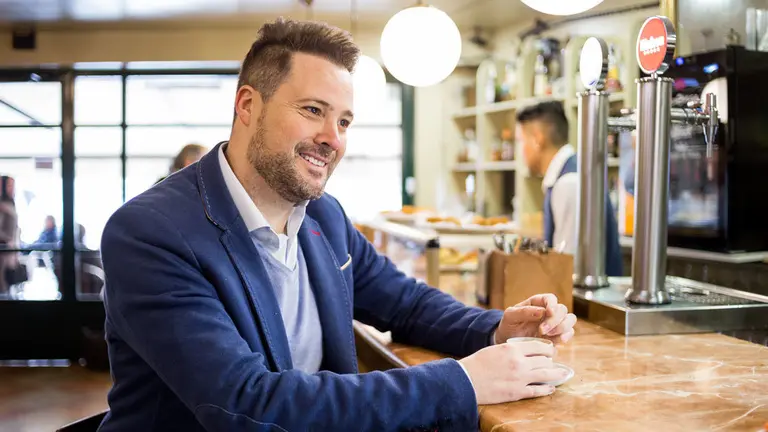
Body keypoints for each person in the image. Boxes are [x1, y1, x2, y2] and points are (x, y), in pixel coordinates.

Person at [98, 18, 577, 432]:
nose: (332, 139)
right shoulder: (149, 233)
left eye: (345, 121)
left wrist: (496, 327)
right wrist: (464, 381)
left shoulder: (323, 216)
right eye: (313, 111)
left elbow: (406, 305)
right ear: (247, 106)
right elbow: (244, 405)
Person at [516, 100, 623, 276]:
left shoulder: (569, 184)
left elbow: (566, 268)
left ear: (537, 138)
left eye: (521, 141)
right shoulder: (568, 175)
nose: (520, 151)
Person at [0, 176, 19, 294]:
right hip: (3, 249)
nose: (12, 189)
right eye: (9, 185)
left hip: (10, 250)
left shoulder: (11, 204)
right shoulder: (3, 206)